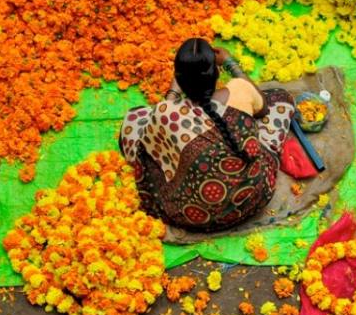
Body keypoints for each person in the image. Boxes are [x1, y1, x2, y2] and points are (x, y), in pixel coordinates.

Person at [119, 38, 295, 232]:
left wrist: (173, 92)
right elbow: (263, 110)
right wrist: (230, 62)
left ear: (178, 78)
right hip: (252, 199)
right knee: (280, 98)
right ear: (216, 73)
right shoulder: (239, 89)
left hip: (192, 215)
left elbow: (157, 123)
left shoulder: (167, 113)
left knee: (134, 121)